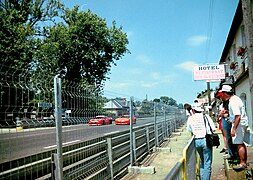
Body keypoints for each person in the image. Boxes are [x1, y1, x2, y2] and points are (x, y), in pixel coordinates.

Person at [221, 84, 248, 171]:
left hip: (239, 125)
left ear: (225, 93)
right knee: (241, 143)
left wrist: (234, 129)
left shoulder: (233, 101)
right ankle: (243, 161)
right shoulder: (235, 99)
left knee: (239, 143)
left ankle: (242, 163)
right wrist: (231, 118)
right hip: (241, 123)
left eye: (222, 93)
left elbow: (238, 116)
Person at [187, 102, 216, 180]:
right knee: (207, 163)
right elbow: (213, 128)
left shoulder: (190, 118)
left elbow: (189, 129)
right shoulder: (205, 116)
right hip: (206, 140)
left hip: (196, 141)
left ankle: (202, 177)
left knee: (202, 161)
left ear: (193, 110)